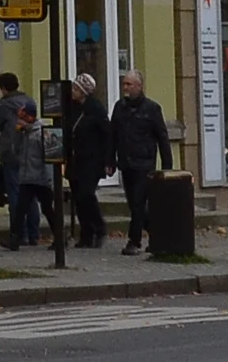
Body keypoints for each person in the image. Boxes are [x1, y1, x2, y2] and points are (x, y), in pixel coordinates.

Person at [105, 68, 173, 255]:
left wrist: (167, 166)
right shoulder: (119, 107)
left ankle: (133, 242)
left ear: (139, 86)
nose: (125, 88)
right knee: (135, 204)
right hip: (126, 163)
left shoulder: (152, 109)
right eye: (124, 84)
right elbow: (113, 135)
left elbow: (162, 137)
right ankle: (158, 235)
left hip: (144, 164)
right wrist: (109, 160)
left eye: (129, 84)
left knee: (137, 203)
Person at [0, 73, 44, 247]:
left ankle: (19, 234)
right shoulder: (29, 102)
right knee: (31, 195)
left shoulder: (4, 106)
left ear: (3, 88)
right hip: (29, 153)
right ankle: (34, 234)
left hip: (11, 154)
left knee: (15, 195)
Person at [60, 73, 112, 250]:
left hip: (92, 160)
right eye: (73, 88)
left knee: (86, 194)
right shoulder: (72, 108)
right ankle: (86, 233)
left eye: (76, 89)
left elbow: (107, 135)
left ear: (84, 92)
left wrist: (108, 160)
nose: (73, 92)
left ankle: (100, 228)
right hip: (75, 160)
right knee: (78, 198)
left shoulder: (95, 109)